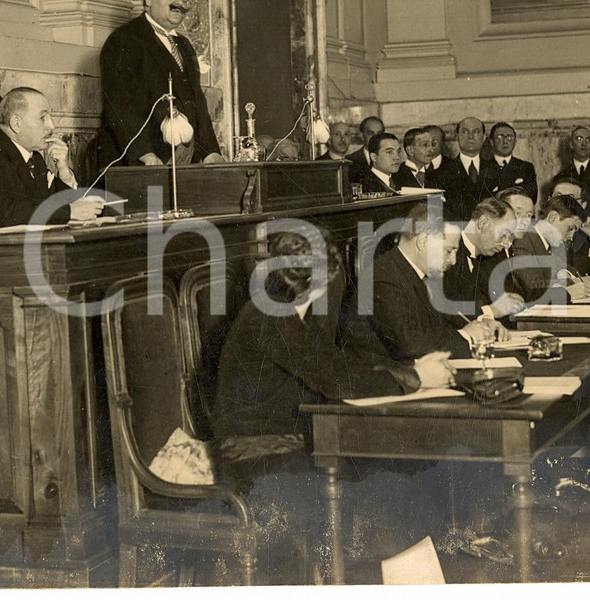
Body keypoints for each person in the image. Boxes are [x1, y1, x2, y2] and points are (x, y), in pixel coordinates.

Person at [211, 230, 453, 479]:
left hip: (289, 443)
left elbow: (342, 365)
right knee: (384, 483)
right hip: (257, 456)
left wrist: (413, 370)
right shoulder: (274, 319)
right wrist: (419, 378)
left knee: (390, 474)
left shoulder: (288, 315)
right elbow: (340, 380)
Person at [97, 0, 225, 167]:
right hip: (145, 163)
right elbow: (119, 104)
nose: (180, 3)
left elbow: (197, 101)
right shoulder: (124, 40)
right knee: (155, 199)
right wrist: (145, 153)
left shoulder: (183, 45)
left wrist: (210, 152)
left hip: (183, 160)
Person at [0, 87, 105, 231]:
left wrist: (63, 169)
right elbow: (7, 214)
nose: (52, 126)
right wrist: (70, 212)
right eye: (42, 117)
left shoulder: (34, 158)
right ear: (16, 123)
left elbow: (60, 205)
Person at [371, 203, 506, 362]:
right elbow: (408, 343)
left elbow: (445, 314)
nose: (453, 261)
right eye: (449, 251)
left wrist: (483, 322)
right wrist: (465, 335)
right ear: (422, 241)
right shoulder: (384, 276)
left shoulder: (414, 272)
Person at [439, 197, 523, 318]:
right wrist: (490, 311)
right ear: (483, 223)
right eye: (503, 234)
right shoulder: (448, 254)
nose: (506, 244)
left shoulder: (487, 258)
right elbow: (448, 312)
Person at [506, 195, 590, 305]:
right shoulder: (523, 239)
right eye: (570, 228)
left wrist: (566, 275)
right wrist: (570, 286)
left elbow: (565, 268)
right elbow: (532, 287)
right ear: (553, 217)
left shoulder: (547, 242)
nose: (571, 237)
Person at [427, 116, 498, 223]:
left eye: (476, 132)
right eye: (465, 132)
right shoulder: (439, 174)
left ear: (484, 137)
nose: (470, 136)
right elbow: (435, 213)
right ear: (457, 136)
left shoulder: (496, 170)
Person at [488, 121, 537, 204]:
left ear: (515, 142)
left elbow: (533, 196)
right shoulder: (482, 167)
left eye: (510, 137)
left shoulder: (526, 167)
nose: (505, 141)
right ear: (492, 142)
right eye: (500, 137)